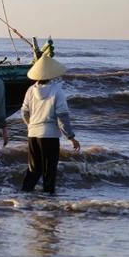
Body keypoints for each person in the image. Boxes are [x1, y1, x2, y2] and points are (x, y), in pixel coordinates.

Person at [21, 55, 80, 195]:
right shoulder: (56, 91)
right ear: (51, 74)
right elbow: (62, 117)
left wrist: (32, 125)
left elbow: (24, 112)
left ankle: (24, 195)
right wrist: (71, 138)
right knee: (49, 170)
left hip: (33, 135)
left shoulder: (30, 90)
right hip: (50, 136)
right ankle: (48, 201)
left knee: (33, 169)